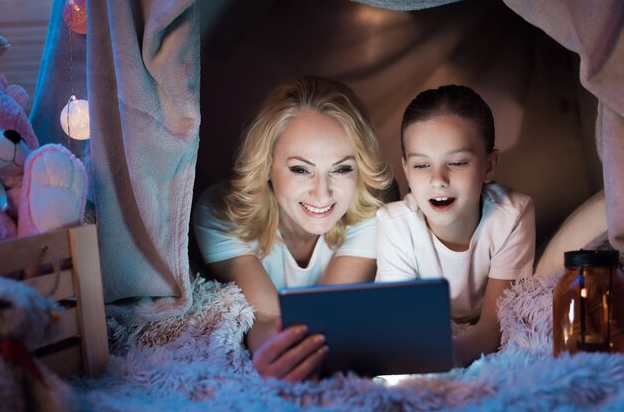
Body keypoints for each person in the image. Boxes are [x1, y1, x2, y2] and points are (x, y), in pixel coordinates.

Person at [193, 75, 393, 381]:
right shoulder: (220, 213)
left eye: (341, 169)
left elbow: (328, 314)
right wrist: (271, 353)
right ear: (267, 166)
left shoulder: (371, 215)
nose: (322, 193)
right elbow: (268, 316)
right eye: (301, 169)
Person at [375, 84, 535, 367]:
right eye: (422, 165)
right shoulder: (395, 224)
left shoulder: (512, 215)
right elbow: (394, 320)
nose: (438, 179)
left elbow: (495, 324)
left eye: (458, 162)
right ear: (406, 170)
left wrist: (452, 355)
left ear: (488, 165)